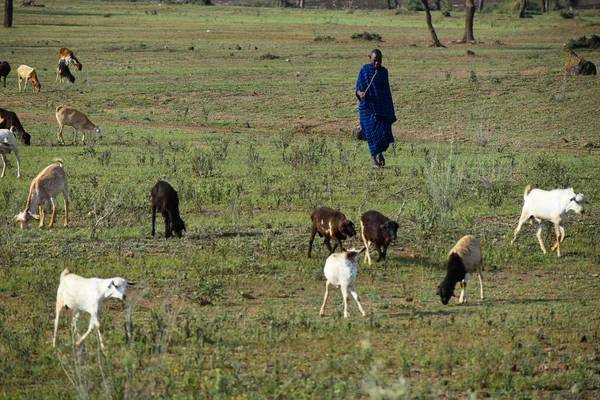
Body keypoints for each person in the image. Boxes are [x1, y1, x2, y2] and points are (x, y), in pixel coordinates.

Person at [356, 49, 397, 168]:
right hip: (367, 108)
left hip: (382, 108)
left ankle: (379, 153)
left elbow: (386, 92)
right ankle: (374, 158)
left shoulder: (384, 72)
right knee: (370, 134)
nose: (377, 64)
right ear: (369, 58)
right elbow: (358, 88)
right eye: (375, 61)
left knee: (383, 134)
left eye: (379, 61)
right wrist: (360, 94)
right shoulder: (364, 70)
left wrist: (388, 108)